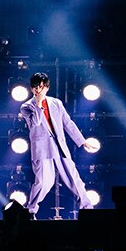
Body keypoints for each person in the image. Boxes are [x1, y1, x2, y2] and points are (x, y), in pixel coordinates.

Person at [20, 71, 95, 219]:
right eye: (35, 87)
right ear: (31, 88)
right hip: (42, 149)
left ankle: (88, 209)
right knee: (43, 183)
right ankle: (30, 211)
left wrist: (82, 141)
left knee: (74, 179)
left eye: (41, 87)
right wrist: (39, 104)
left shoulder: (56, 103)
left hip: (59, 147)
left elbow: (67, 123)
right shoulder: (26, 106)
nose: (38, 90)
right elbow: (35, 123)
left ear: (47, 87)